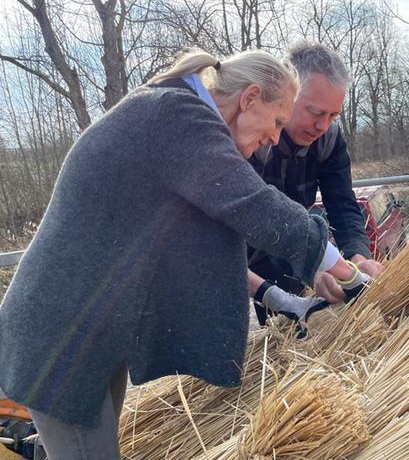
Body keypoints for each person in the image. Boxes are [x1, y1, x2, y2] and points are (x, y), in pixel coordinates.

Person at [0, 48, 365, 459]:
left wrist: (280, 297)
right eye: (277, 121)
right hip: (60, 334)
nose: (276, 138)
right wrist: (344, 271)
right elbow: (254, 204)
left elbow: (210, 242)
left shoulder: (176, 114)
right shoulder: (178, 116)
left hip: (93, 329)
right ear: (249, 98)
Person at [247, 42, 384, 306]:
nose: (323, 126)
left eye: (333, 115)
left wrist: (357, 257)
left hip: (291, 250)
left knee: (290, 332)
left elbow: (343, 205)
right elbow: (254, 222)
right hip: (239, 252)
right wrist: (315, 266)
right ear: (289, 94)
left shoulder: (329, 140)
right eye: (315, 112)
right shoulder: (253, 139)